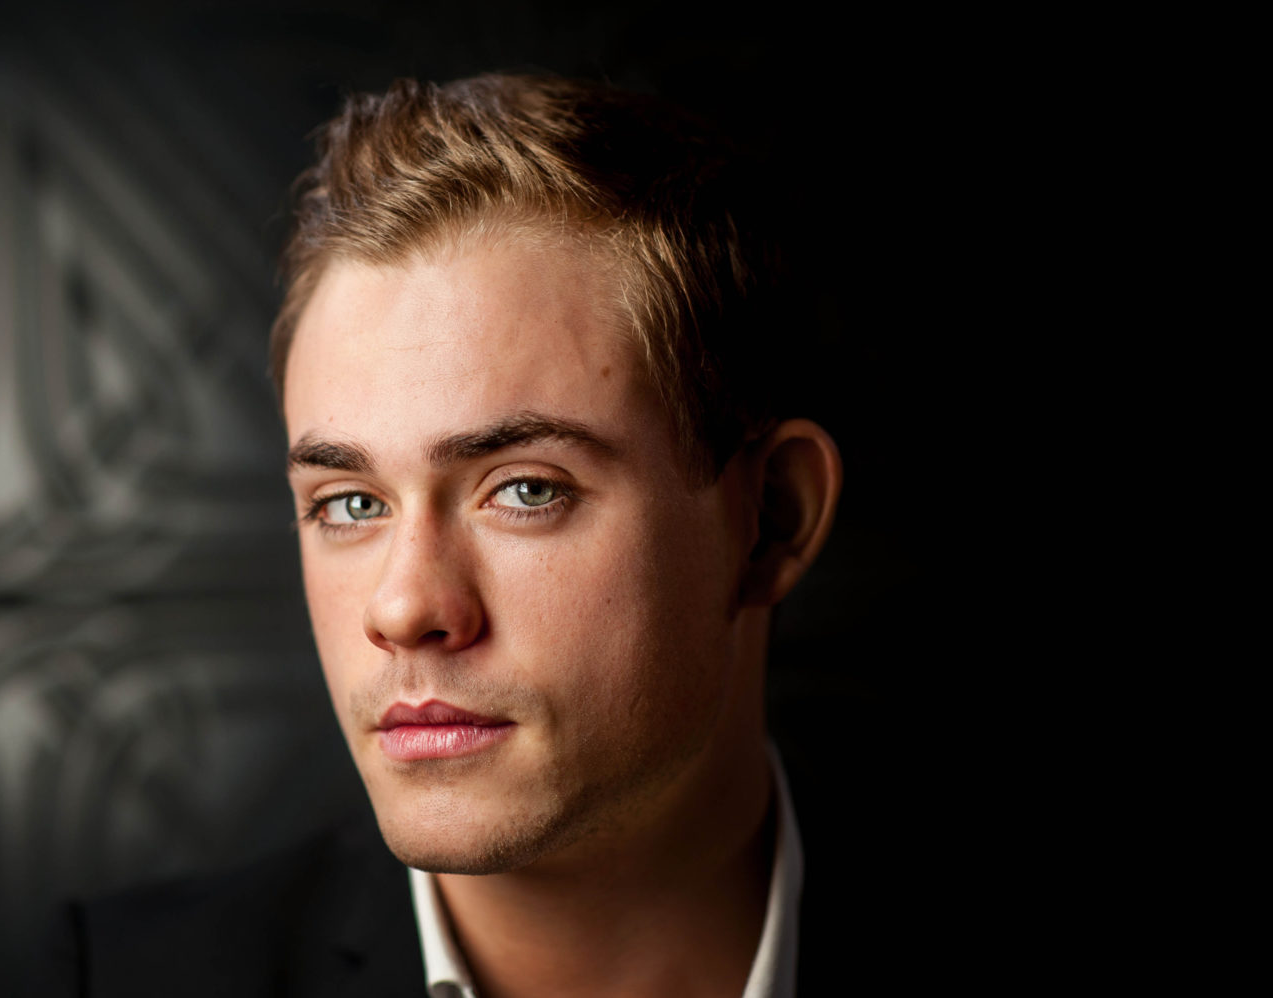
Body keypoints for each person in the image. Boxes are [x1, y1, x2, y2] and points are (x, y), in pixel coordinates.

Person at [56, 73, 843, 998]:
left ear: (770, 519)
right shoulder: (111, 982)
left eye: (524, 489)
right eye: (351, 503)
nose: (404, 609)